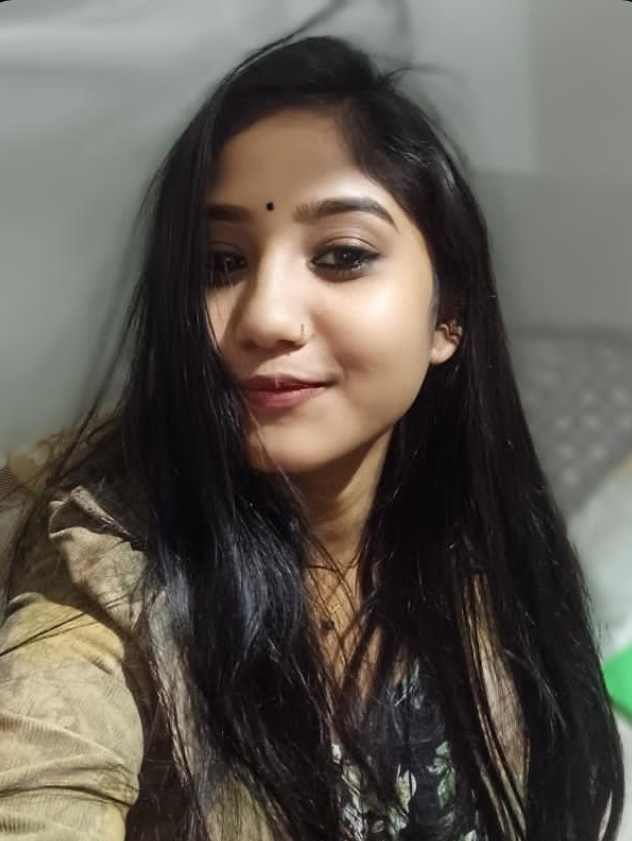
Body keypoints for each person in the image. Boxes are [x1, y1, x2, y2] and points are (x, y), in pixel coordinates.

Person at [0, 33, 624, 841]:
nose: (264, 316)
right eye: (219, 264)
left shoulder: (476, 536)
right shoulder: (99, 580)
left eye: (341, 255)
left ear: (448, 314)